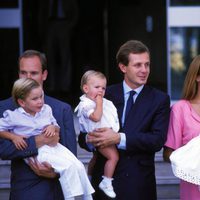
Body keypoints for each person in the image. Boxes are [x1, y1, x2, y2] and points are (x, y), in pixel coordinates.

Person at [78, 40, 170, 200]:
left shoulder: (159, 99)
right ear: (123, 67)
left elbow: (157, 140)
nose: (144, 70)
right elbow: (82, 136)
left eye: (147, 65)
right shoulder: (103, 92)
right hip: (104, 186)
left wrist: (119, 138)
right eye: (138, 65)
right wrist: (90, 138)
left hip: (139, 186)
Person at [0, 78, 94, 200]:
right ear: (22, 102)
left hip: (54, 146)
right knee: (67, 167)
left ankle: (88, 196)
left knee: (78, 165)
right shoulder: (13, 116)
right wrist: (13, 137)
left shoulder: (46, 109)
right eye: (35, 99)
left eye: (41, 97)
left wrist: (52, 127)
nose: (40, 101)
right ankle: (70, 197)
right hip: (37, 152)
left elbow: (56, 127)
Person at [0, 50, 77, 200]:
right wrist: (39, 140)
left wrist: (54, 172)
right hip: (24, 191)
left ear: (44, 75)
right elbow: (3, 150)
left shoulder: (61, 109)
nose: (28, 78)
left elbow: (71, 155)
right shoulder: (5, 107)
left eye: (34, 73)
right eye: (23, 73)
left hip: (55, 190)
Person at [75, 70, 119, 198]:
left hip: (101, 134)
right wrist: (99, 104)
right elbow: (96, 117)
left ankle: (88, 179)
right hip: (98, 136)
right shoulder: (85, 105)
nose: (101, 91)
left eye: (103, 88)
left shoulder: (103, 102)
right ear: (86, 88)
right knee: (113, 157)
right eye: (97, 87)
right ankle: (106, 181)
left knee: (95, 158)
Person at [163, 55, 200, 200]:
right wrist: (192, 155)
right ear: (197, 77)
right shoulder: (180, 109)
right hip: (192, 191)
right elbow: (168, 154)